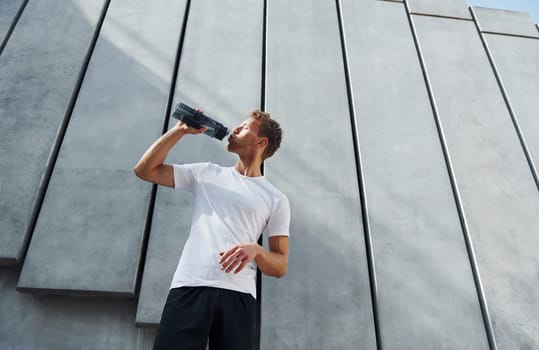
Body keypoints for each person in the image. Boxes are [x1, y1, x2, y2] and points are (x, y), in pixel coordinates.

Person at [134, 108, 290, 350]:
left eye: (245, 127)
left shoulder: (275, 199)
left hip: (239, 296)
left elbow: (280, 266)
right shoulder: (206, 173)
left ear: (261, 142)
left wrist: (256, 251)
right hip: (190, 286)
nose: (235, 129)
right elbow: (145, 170)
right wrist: (179, 131)